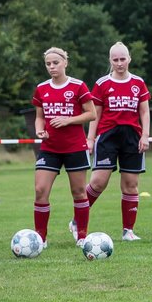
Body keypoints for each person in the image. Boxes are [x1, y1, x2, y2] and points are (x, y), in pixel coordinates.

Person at [31, 47, 97, 248]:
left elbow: (92, 114)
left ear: (65, 63)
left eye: (55, 63)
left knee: (78, 191)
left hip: (75, 147)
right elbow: (39, 117)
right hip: (49, 148)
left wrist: (68, 120)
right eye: (48, 64)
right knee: (40, 190)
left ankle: (82, 236)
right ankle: (40, 238)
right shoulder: (41, 88)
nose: (52, 67)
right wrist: (39, 130)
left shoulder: (78, 86)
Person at [86, 42, 152, 241]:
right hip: (107, 137)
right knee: (98, 182)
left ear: (129, 59)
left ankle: (128, 231)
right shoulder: (102, 83)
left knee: (131, 184)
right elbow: (95, 114)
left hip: (132, 137)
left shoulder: (138, 83)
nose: (119, 63)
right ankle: (77, 220)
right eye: (115, 60)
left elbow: (144, 111)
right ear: (110, 61)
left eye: (123, 59)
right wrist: (90, 138)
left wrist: (145, 135)